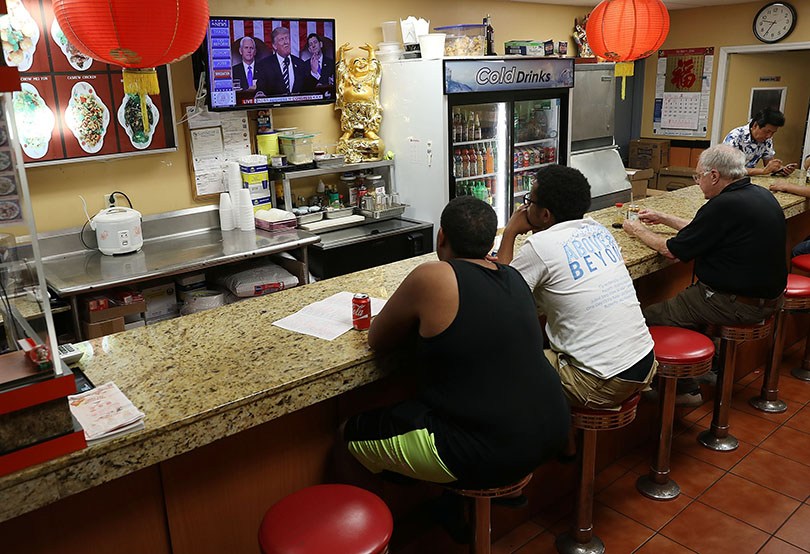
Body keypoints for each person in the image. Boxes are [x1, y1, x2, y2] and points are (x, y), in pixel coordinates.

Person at [343, 196, 570, 490]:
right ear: (490, 239)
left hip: (489, 452)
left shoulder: (432, 275)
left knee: (345, 436)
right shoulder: (513, 276)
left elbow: (377, 340)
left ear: (441, 237)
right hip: (553, 428)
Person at [624, 144, 786, 405]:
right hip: (769, 299)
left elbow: (671, 251)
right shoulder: (757, 194)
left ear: (714, 175)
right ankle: (708, 369)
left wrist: (637, 231)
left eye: (698, 177)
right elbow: (708, 229)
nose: (697, 183)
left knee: (647, 317)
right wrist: (663, 218)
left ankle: (685, 389)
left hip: (735, 303)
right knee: (687, 305)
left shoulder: (723, 205)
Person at [497, 165, 657, 410]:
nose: (525, 207)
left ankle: (547, 444)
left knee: (506, 364)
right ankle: (567, 440)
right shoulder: (598, 229)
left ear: (545, 215)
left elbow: (502, 295)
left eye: (530, 201)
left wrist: (509, 233)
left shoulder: (540, 245)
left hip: (600, 383)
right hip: (645, 364)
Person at [723, 108, 796, 176]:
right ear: (755, 125)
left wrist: (781, 169)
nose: (769, 136)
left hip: (747, 180)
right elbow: (730, 169)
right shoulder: (735, 137)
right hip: (729, 180)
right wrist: (762, 171)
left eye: (773, 133)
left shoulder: (766, 139)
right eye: (767, 131)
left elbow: (769, 163)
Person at [255, 26, 308, 96]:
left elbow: (307, 89)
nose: (286, 42)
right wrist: (260, 93)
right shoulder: (264, 65)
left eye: (287, 38)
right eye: (281, 39)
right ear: (274, 46)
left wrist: (314, 73)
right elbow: (261, 88)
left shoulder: (300, 63)